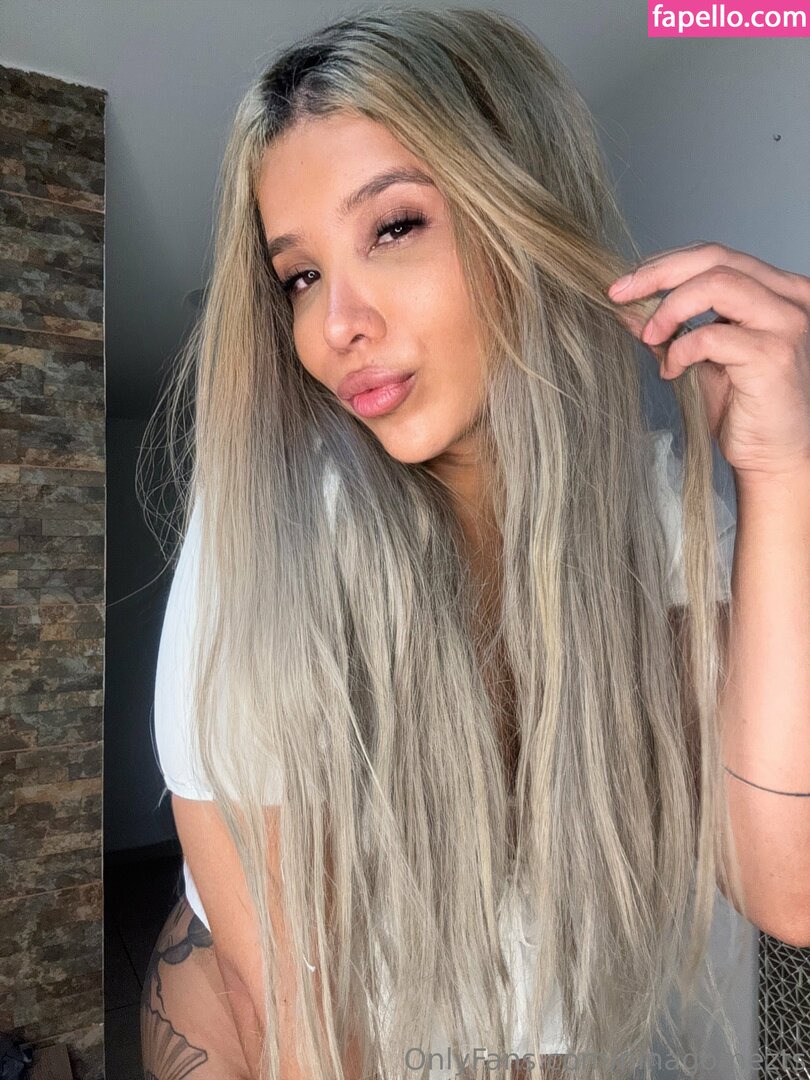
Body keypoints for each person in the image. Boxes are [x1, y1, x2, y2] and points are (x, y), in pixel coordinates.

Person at [140, 7, 810, 1080]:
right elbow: (289, 1019)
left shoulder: (656, 513)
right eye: (299, 276)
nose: (335, 326)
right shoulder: (270, 532)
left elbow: (788, 889)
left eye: (393, 227)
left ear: (525, 213)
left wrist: (784, 475)